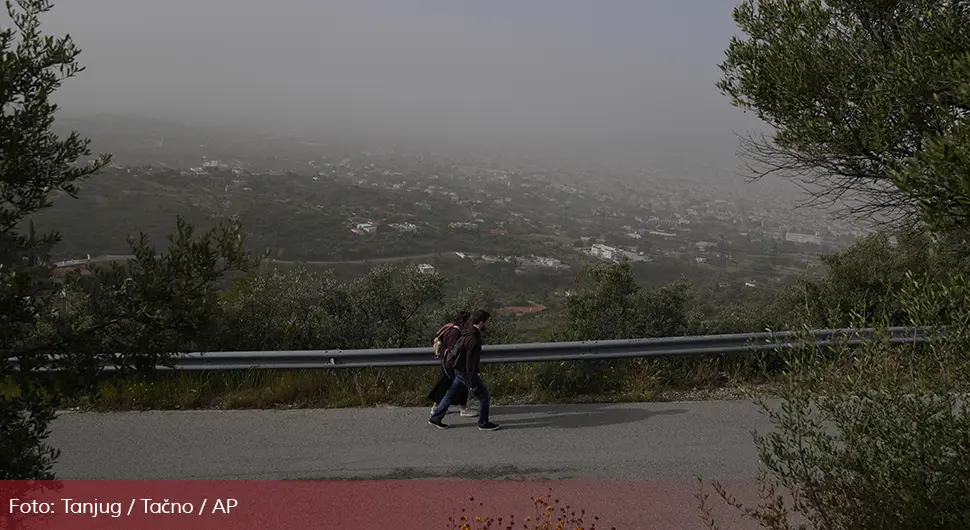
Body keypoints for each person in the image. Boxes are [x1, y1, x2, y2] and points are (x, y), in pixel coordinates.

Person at [429, 310, 499, 431]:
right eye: (486, 323)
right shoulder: (474, 339)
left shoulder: (467, 333)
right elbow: (470, 363)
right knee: (484, 396)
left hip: (459, 370)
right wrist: (472, 382)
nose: (487, 325)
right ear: (482, 323)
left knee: (450, 395)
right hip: (466, 373)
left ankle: (436, 418)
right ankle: (483, 423)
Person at [427, 311, 477, 417]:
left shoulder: (451, 328)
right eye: (468, 321)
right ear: (463, 321)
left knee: (444, 384)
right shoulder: (455, 332)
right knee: (460, 383)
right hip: (452, 363)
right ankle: (463, 408)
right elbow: (453, 349)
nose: (470, 324)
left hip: (446, 362)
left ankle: (436, 407)